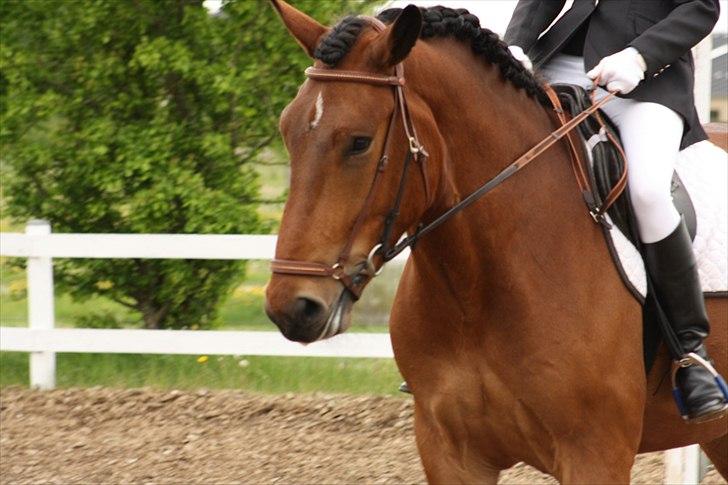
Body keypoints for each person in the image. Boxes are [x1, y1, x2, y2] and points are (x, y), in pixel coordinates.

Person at [504, 0, 727, 422]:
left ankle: (690, 353)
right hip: (556, 62)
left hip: (646, 80)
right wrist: (515, 44)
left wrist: (641, 55)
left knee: (647, 191)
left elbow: (700, 7)